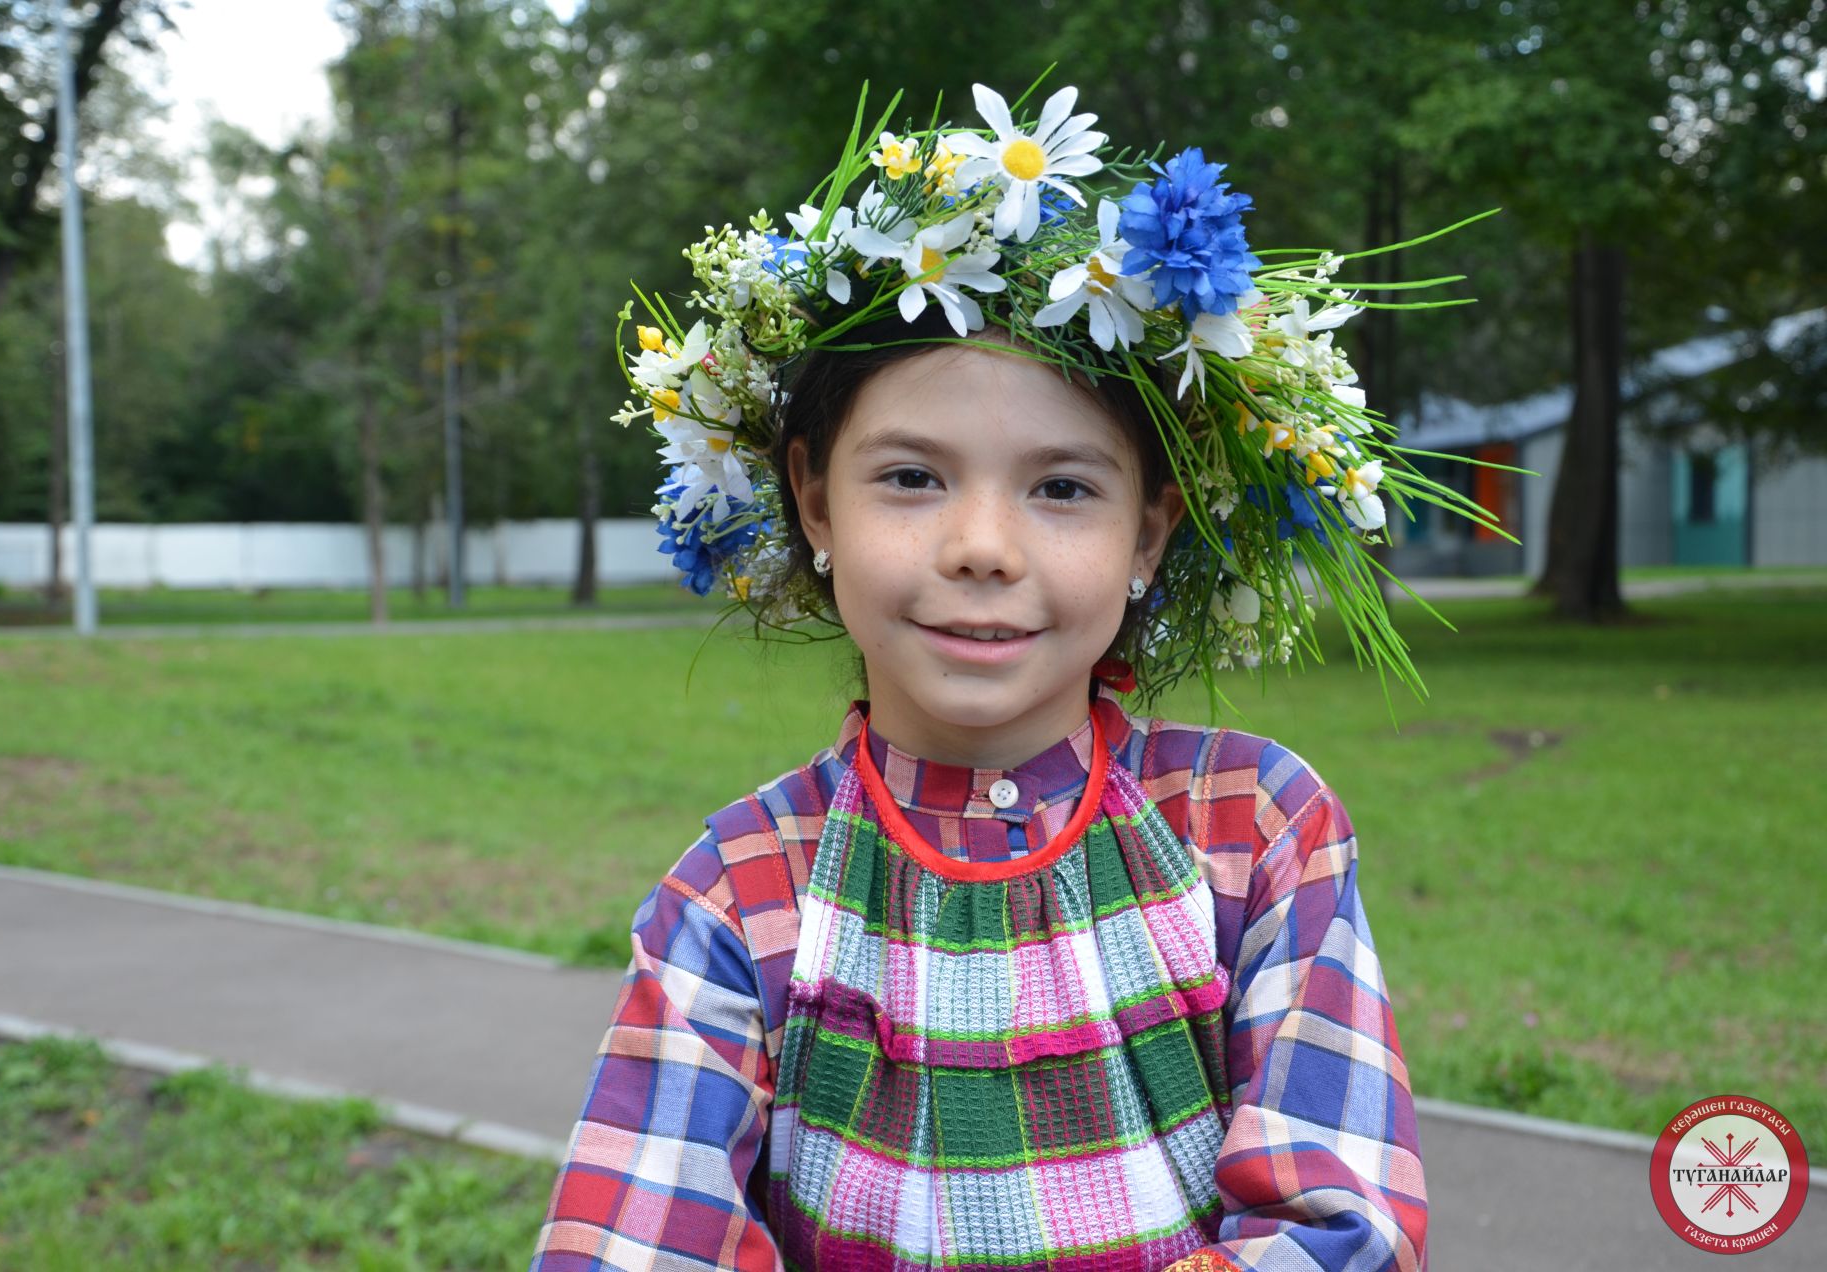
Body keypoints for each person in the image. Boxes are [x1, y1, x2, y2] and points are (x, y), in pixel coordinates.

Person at [529, 80, 1487, 1270]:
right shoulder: (735, 894)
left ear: (1149, 535)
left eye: (1064, 488)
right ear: (814, 501)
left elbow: (1339, 1227)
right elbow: (632, 1244)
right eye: (913, 478)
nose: (983, 545)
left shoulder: (1257, 830)